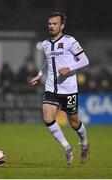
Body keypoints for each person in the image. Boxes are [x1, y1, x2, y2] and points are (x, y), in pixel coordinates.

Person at [30, 12, 90, 165]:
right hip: (51, 88)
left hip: (69, 90)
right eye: (50, 23)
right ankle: (68, 148)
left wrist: (69, 68)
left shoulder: (70, 41)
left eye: (55, 23)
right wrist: (39, 74)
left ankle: (84, 143)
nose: (51, 26)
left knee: (74, 122)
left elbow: (84, 60)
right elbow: (49, 62)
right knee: (47, 118)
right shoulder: (45, 44)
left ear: (62, 25)